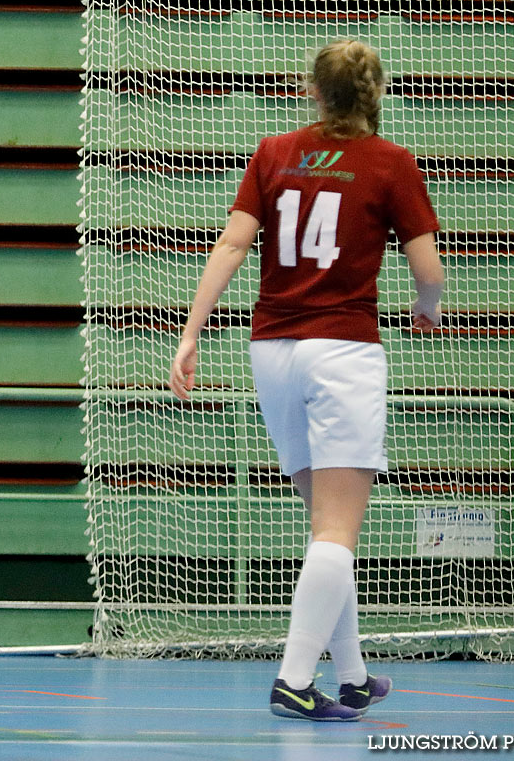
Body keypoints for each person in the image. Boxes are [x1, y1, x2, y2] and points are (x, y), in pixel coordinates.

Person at [170, 40, 445, 723]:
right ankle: (294, 680)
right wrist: (427, 307)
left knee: (324, 527)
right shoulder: (390, 163)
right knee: (337, 531)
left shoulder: (274, 153)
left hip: (273, 353)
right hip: (343, 351)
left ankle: (350, 675)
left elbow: (232, 244)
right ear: (376, 93)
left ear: (312, 92)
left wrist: (192, 332)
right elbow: (431, 270)